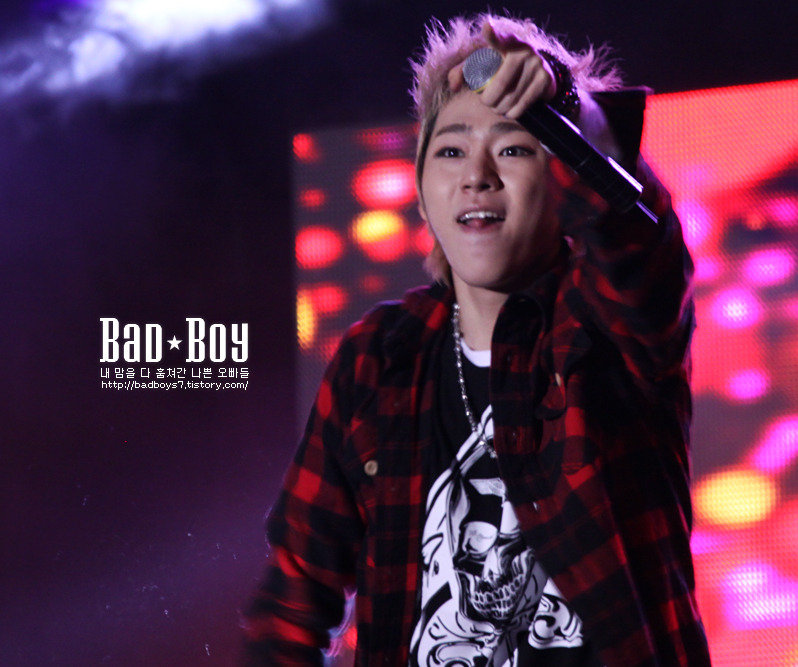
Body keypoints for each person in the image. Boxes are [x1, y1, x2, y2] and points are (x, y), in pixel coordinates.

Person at [244, 12, 710, 667]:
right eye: (451, 150)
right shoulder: (376, 359)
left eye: (513, 148)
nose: (477, 175)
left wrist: (565, 105)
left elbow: (636, 238)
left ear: (560, 181)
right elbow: (294, 601)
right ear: (422, 187)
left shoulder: (606, 325)